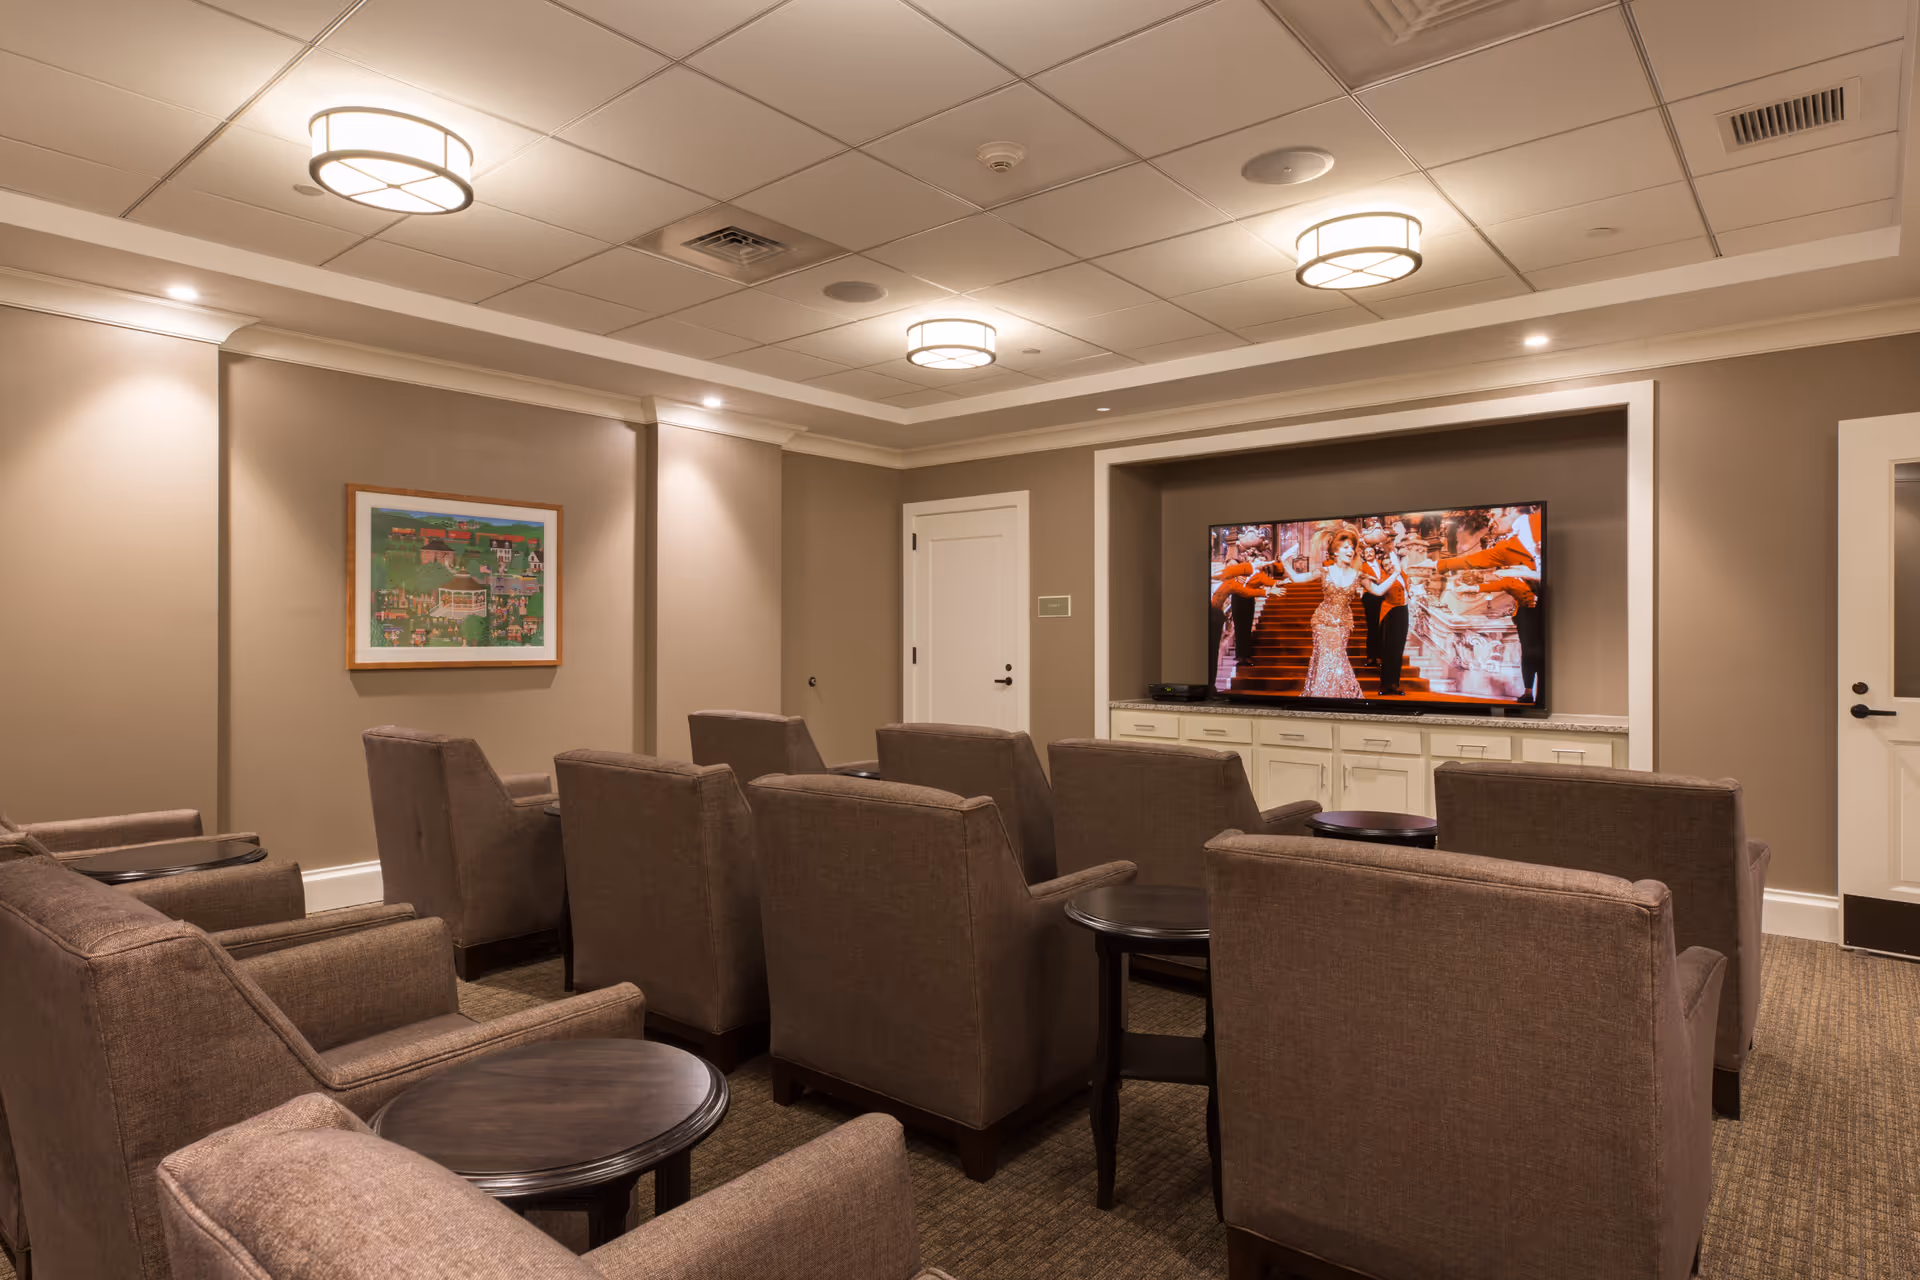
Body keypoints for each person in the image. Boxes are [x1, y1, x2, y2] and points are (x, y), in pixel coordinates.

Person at [1276, 527, 1404, 700]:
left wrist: (1395, 573)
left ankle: (1333, 695)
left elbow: (1379, 591)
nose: (1350, 551)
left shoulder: (1359, 575)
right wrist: (1285, 561)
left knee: (1337, 658)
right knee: (1327, 658)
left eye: (1352, 547)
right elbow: (1298, 579)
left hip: (1343, 622)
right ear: (1335, 552)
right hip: (1323, 620)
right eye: (1345, 547)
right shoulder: (1324, 571)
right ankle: (1323, 696)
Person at [1434, 509, 1544, 704]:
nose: (1490, 519)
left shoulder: (1540, 524)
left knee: (1543, 651)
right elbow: (1480, 563)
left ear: (1509, 511)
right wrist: (1441, 566)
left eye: (1494, 515)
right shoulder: (1508, 546)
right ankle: (1529, 691)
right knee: (1529, 651)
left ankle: (1543, 692)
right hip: (1528, 609)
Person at [1367, 545, 1411, 695]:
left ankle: (1395, 684)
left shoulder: (1403, 575)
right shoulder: (1385, 579)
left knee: (1398, 651)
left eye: (1390, 563)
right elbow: (1379, 591)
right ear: (1383, 569)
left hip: (1403, 612)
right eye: (1385, 565)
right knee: (1388, 652)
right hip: (1390, 614)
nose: (1389, 567)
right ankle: (1385, 685)